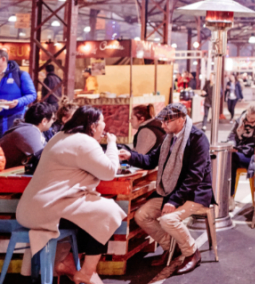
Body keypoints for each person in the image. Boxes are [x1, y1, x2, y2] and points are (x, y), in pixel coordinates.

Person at [18, 106, 126, 284]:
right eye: (102, 123)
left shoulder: (60, 136)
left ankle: (65, 263)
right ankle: (87, 272)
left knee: (93, 213)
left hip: (35, 207)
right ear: (92, 126)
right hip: (48, 209)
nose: (104, 127)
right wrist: (112, 144)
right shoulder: (84, 141)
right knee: (109, 212)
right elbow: (109, 172)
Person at [120, 104, 213, 274]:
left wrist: (174, 201)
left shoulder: (198, 138)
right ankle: (173, 247)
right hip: (173, 192)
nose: (163, 126)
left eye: (167, 121)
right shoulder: (168, 138)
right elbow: (150, 160)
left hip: (195, 194)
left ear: (181, 119)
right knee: (142, 215)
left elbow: (195, 176)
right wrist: (130, 156)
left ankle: (192, 253)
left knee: (168, 220)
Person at [228, 102, 255, 195]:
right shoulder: (241, 120)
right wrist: (232, 144)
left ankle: (231, 195)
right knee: (229, 158)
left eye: (253, 118)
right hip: (241, 151)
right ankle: (230, 196)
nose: (249, 120)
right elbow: (231, 136)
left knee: (232, 159)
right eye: (248, 117)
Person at [0, 102, 56, 168]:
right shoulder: (28, 131)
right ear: (44, 121)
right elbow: (44, 158)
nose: (53, 122)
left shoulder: (29, 129)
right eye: (53, 119)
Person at [0, 48, 37, 136]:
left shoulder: (20, 74)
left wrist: (18, 102)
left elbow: (32, 95)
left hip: (14, 118)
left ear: (3, 59)